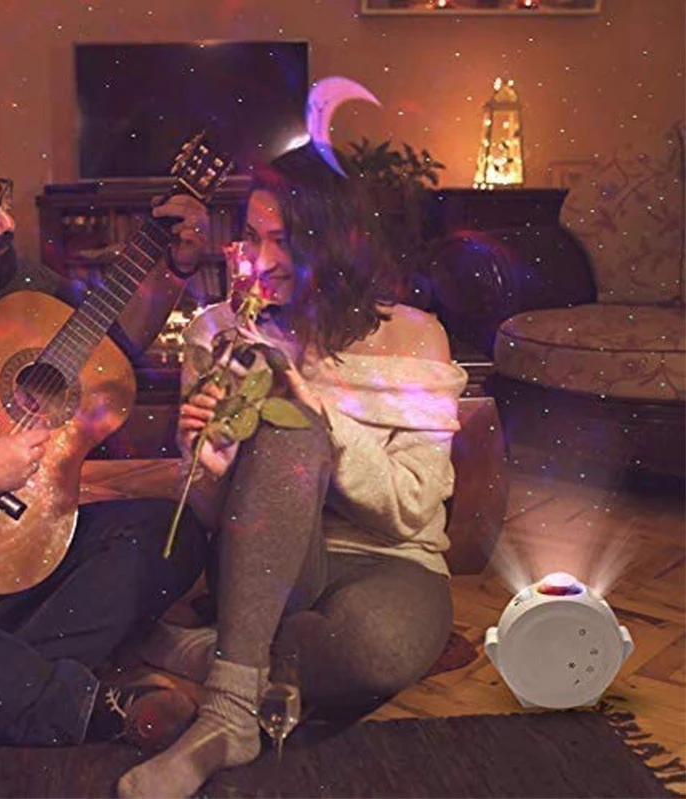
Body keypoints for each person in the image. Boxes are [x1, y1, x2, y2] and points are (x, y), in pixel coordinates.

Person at [118, 143, 468, 798]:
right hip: (268, 567)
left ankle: (211, 652)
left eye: (284, 240)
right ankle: (230, 714)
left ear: (338, 245)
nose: (262, 259)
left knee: (379, 648)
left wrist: (326, 416)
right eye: (252, 237)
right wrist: (207, 465)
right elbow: (212, 515)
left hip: (390, 561)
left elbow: (415, 508)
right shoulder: (218, 333)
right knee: (288, 420)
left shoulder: (417, 338)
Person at [0, 109, 211, 767]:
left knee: (169, 532)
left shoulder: (11, 281)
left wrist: (171, 274)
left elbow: (101, 353)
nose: (5, 223)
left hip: (16, 550)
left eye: (0, 199)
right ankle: (67, 705)